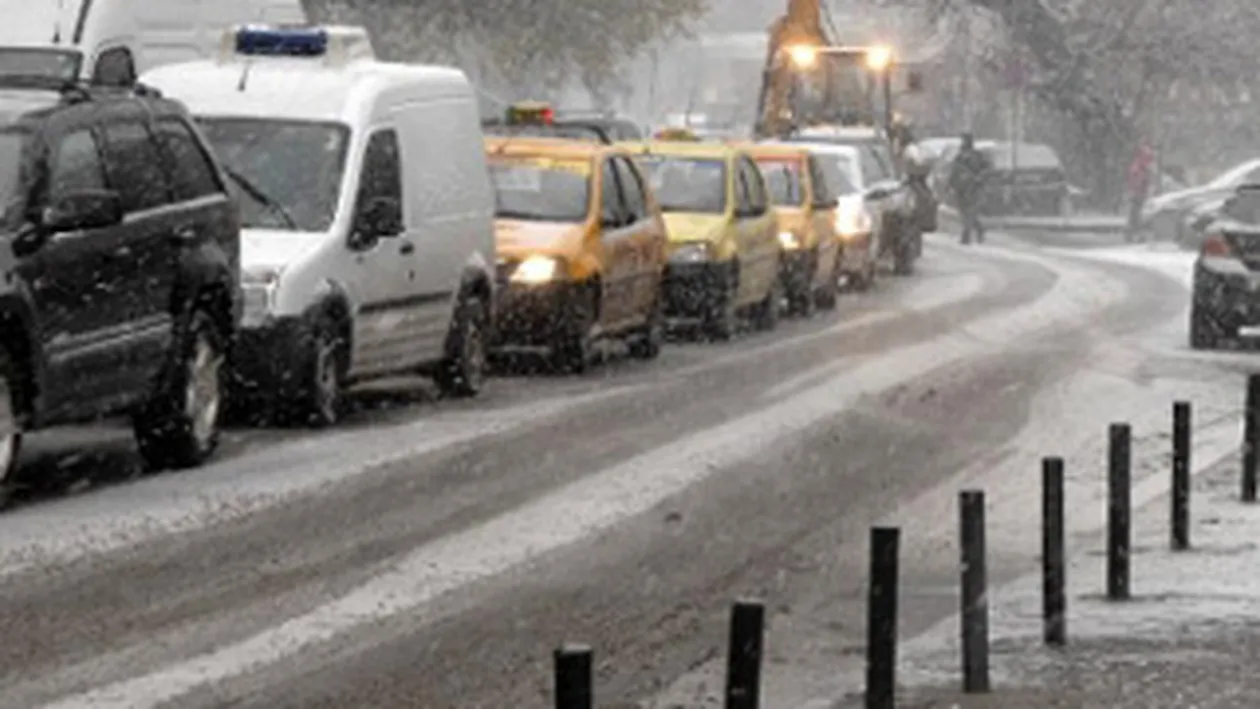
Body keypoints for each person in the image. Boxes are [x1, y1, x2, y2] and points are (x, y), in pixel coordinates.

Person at [949, 132, 991, 244]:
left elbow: (986, 168)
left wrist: (979, 177)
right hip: (961, 189)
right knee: (964, 214)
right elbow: (954, 172)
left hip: (974, 188)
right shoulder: (959, 157)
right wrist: (951, 185)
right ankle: (979, 229)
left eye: (964, 140)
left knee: (970, 212)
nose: (963, 142)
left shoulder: (977, 156)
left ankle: (965, 237)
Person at [1125, 139, 1156, 243]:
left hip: (1138, 194)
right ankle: (1135, 235)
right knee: (1136, 215)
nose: (1149, 161)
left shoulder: (1140, 168)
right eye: (1147, 159)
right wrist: (1141, 190)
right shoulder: (1138, 168)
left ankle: (1133, 234)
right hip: (1137, 194)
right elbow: (1137, 181)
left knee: (1136, 215)